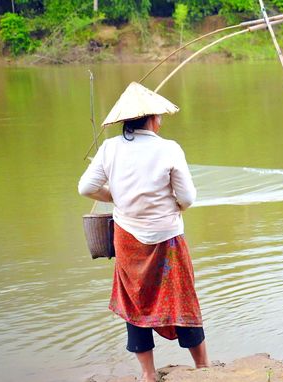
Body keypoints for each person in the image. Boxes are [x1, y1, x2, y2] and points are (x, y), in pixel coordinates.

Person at [78, 82, 209, 381]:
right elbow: (187, 198)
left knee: (134, 298)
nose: (161, 120)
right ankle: (203, 368)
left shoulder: (109, 148)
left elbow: (85, 188)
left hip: (127, 239)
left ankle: (148, 374)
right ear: (151, 119)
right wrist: (175, 206)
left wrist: (114, 196)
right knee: (182, 296)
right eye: (159, 116)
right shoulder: (169, 148)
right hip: (167, 237)